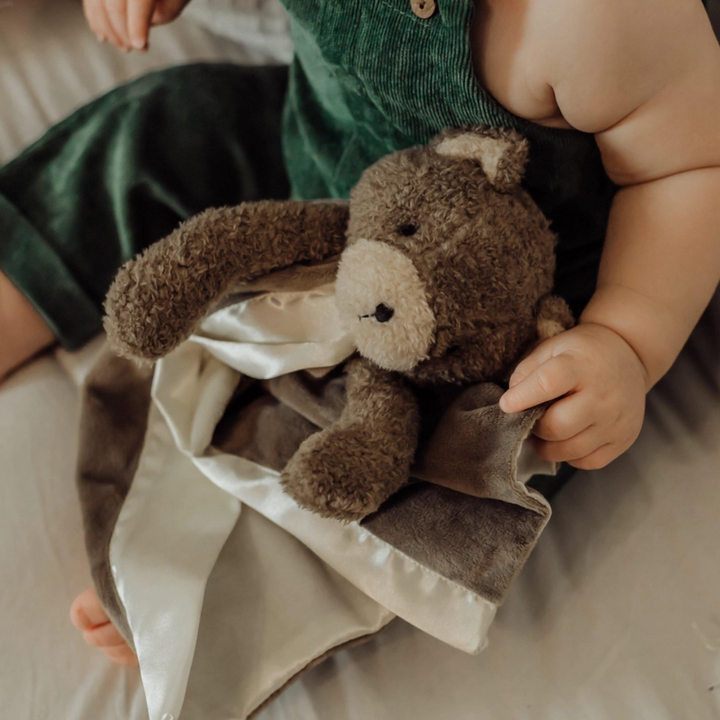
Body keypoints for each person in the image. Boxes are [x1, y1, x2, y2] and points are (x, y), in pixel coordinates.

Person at [3, 0, 719, 665]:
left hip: (486, 308)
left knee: (470, 452)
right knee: (161, 130)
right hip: (319, 162)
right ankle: (19, 278)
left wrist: (627, 337)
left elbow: (689, 167)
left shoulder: (595, 20)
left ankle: (215, 575)